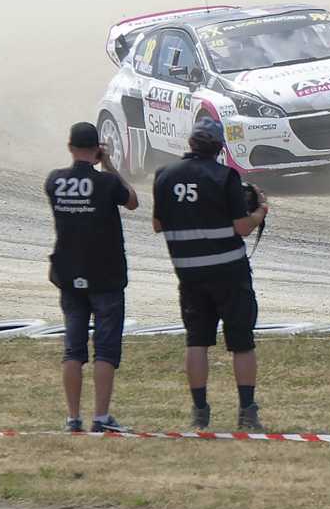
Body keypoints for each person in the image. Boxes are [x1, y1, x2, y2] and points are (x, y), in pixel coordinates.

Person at [152, 113, 269, 431]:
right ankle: (247, 410)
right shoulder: (225, 177)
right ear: (219, 147)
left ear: (190, 143)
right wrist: (260, 210)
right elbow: (242, 227)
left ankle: (200, 411)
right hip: (229, 272)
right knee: (242, 342)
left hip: (189, 274)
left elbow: (157, 225)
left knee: (196, 341)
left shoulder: (164, 175)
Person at [47, 120, 138, 433]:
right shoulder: (107, 183)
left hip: (69, 273)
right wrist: (109, 163)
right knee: (106, 349)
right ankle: (100, 416)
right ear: (97, 148)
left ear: (70, 147)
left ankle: (73, 417)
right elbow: (132, 201)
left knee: (73, 349)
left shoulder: (54, 181)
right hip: (106, 274)